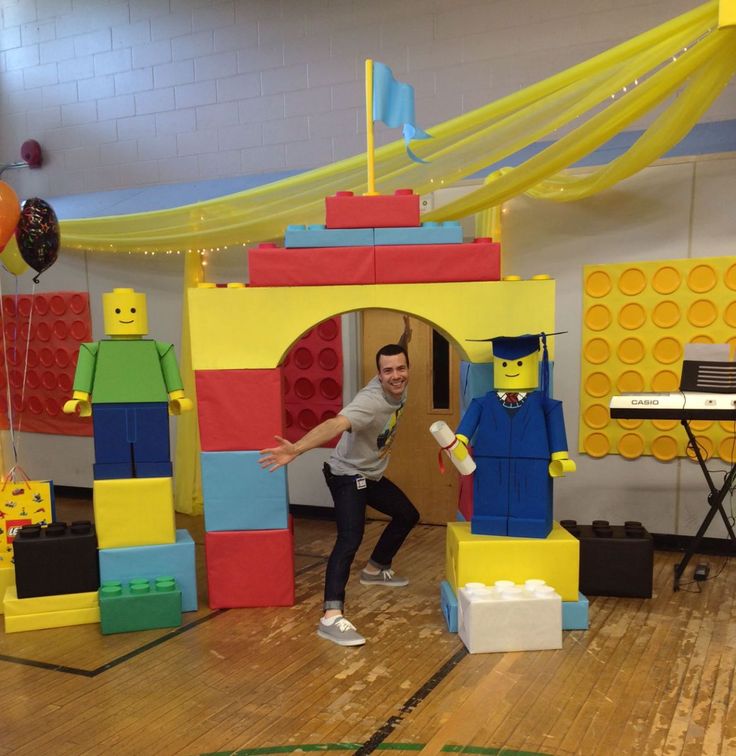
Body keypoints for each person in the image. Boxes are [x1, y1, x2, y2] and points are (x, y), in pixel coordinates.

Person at [259, 317, 418, 647]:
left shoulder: (401, 378)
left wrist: (405, 334)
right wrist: (297, 449)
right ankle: (331, 617)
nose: (396, 376)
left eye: (400, 368)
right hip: (346, 474)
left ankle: (375, 569)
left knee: (407, 514)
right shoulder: (369, 402)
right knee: (350, 537)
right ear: (378, 375)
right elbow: (336, 424)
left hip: (369, 472)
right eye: (387, 371)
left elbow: (400, 352)